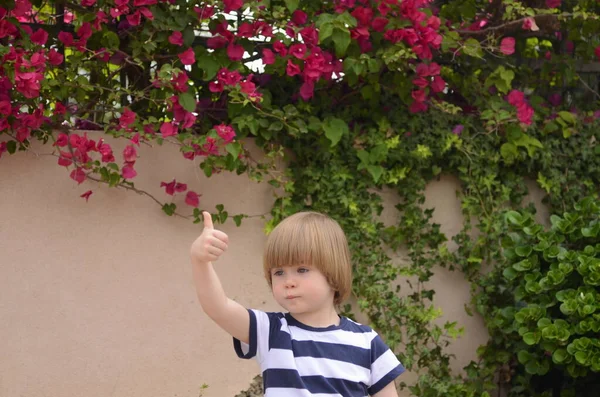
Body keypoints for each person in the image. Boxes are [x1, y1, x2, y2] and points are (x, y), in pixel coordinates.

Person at [190, 210, 404, 396]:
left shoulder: (367, 342)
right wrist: (200, 261)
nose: (288, 282)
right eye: (279, 272)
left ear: (333, 273)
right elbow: (218, 308)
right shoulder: (271, 331)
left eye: (302, 270)